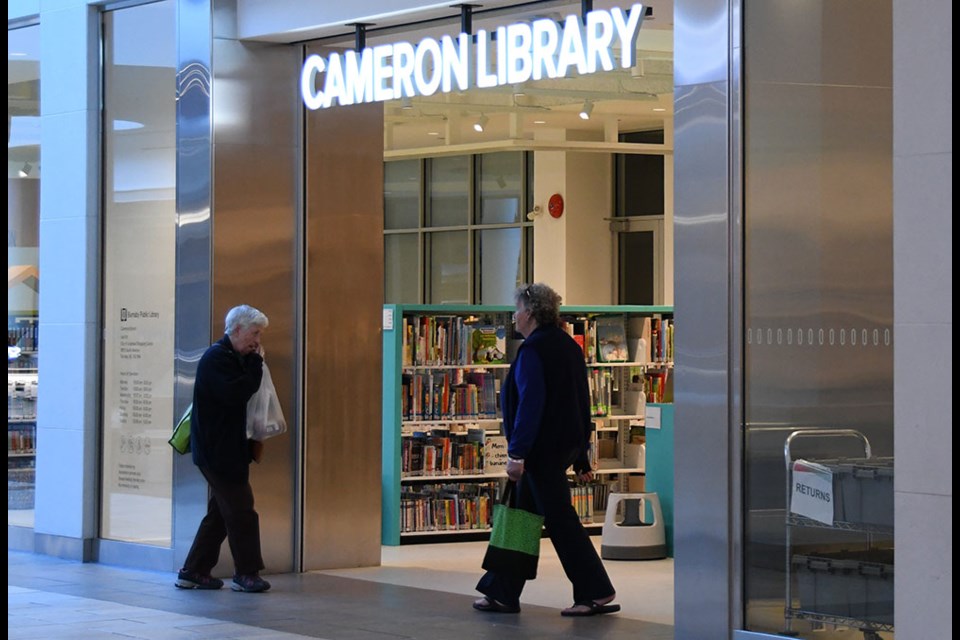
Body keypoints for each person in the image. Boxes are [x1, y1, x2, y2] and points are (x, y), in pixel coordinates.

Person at [474, 283, 619, 617]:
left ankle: (596, 591)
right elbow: (582, 401)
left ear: (531, 313)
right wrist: (581, 452)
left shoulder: (533, 351)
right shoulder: (568, 346)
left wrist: (517, 454)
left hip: (540, 451)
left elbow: (531, 404)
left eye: (518, 309)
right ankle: (502, 591)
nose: (514, 316)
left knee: (560, 521)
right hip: (562, 447)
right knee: (521, 517)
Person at [176, 304, 272, 593]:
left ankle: (193, 570)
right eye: (254, 333)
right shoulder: (217, 358)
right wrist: (256, 365)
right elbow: (238, 393)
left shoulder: (232, 357)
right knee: (242, 510)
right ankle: (247, 574)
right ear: (238, 329)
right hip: (217, 453)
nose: (257, 341)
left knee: (221, 512)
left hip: (228, 450)